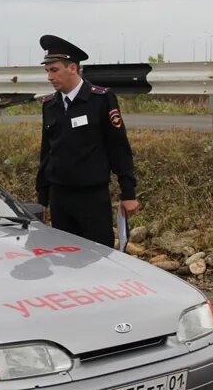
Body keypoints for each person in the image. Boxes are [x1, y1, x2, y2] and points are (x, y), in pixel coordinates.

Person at [35, 34, 140, 248]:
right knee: (62, 257)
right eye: (47, 71)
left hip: (91, 196)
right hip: (59, 196)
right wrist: (42, 200)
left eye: (54, 70)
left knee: (98, 257)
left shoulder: (100, 99)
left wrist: (128, 193)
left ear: (72, 68)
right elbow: (47, 153)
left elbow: (118, 147)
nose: (49, 77)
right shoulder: (50, 105)